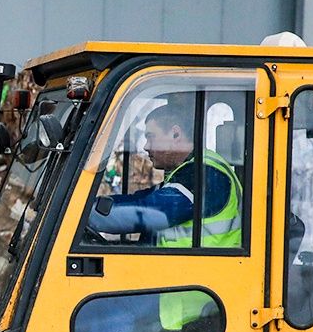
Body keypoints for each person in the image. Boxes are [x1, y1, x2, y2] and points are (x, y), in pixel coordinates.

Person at [87, 101, 242, 251]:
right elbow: (138, 201)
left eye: (150, 136)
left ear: (175, 134)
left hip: (200, 272)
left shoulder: (205, 174)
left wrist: (81, 217)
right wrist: (87, 205)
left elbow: (149, 213)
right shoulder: (184, 174)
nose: (145, 146)